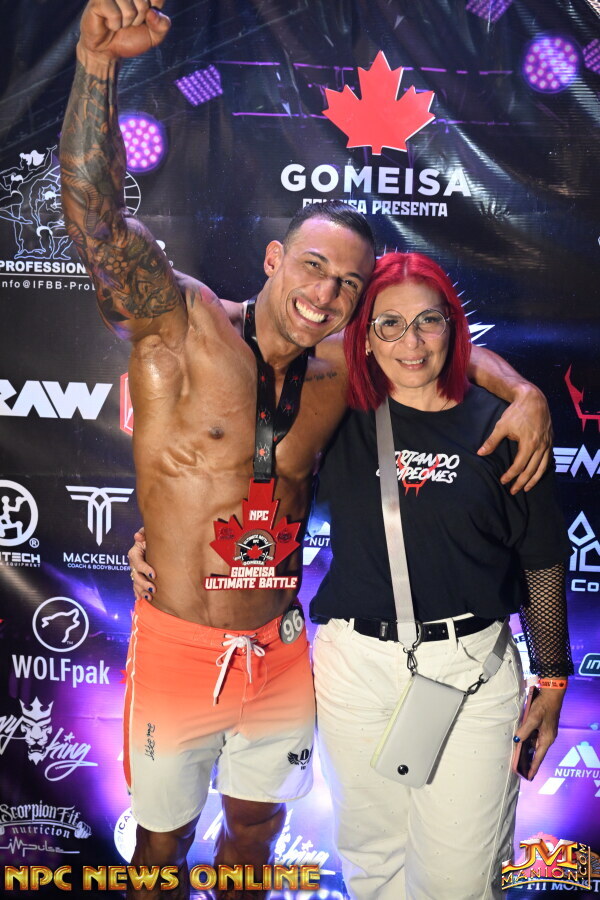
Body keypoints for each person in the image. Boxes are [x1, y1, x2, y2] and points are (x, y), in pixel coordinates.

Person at [61, 2, 552, 898]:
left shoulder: (341, 373)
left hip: (284, 649)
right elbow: (96, 226)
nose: (327, 295)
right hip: (179, 647)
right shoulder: (181, 326)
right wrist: (96, 66)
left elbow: (428, 335)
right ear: (275, 258)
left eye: (348, 286)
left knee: (255, 837)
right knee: (162, 850)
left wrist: (524, 392)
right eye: (313, 268)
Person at [308, 252, 573, 899]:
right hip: (356, 668)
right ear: (365, 335)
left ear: (454, 326)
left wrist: (553, 678)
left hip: (469, 671)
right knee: (374, 865)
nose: (412, 342)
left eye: (429, 321)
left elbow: (541, 558)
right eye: (390, 324)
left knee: (460, 882)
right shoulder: (337, 413)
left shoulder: (505, 424)